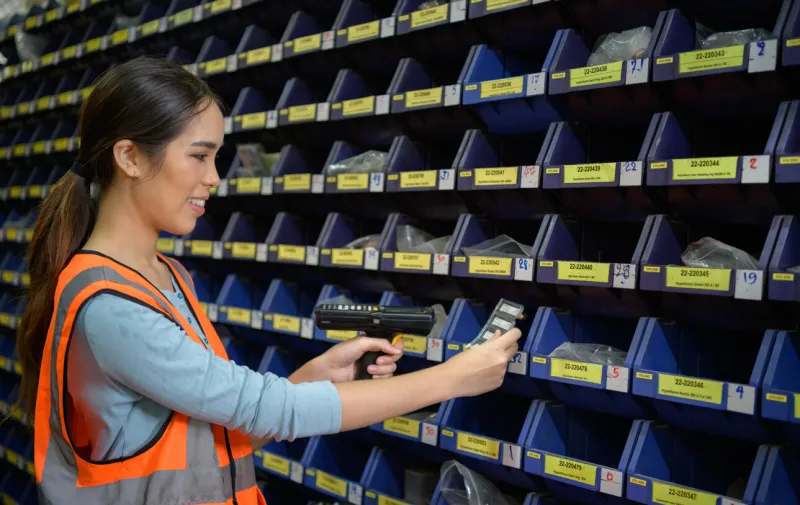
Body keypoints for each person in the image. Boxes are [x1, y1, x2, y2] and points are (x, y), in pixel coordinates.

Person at [16, 57, 522, 505]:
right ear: (128, 157)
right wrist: (455, 378)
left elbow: (210, 430)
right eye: (199, 155)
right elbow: (269, 410)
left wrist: (312, 379)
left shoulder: (164, 275)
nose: (214, 177)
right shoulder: (110, 306)